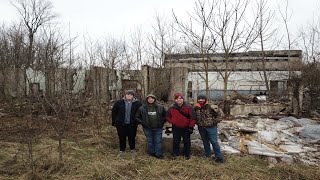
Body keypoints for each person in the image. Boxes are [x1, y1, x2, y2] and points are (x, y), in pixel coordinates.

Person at [112, 90, 142, 158]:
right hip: (121, 124)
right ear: (125, 95)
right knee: (121, 137)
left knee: (132, 137)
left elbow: (140, 113)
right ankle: (122, 150)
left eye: (131, 94)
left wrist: (139, 122)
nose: (129, 95)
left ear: (133, 96)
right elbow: (114, 112)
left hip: (132, 124)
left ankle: (132, 150)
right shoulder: (119, 102)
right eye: (127, 94)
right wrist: (114, 122)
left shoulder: (137, 103)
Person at [194, 94, 224, 163]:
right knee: (205, 142)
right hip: (201, 128)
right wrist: (197, 123)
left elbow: (221, 116)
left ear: (205, 99)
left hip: (211, 128)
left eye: (202, 99)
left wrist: (213, 123)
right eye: (199, 99)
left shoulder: (212, 107)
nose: (201, 100)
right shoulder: (196, 107)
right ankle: (207, 155)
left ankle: (219, 157)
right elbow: (194, 117)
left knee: (214, 142)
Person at [166, 92, 196, 159]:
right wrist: (173, 121)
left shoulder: (188, 107)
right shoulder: (172, 108)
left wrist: (191, 127)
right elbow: (167, 116)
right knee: (176, 141)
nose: (178, 100)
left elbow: (193, 118)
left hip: (186, 127)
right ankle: (175, 155)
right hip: (176, 127)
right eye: (176, 99)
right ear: (175, 100)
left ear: (183, 99)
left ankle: (187, 155)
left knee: (186, 141)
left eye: (180, 98)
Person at [136, 94, 167, 159]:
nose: (150, 100)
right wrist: (143, 123)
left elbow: (166, 116)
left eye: (152, 98)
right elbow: (137, 117)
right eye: (149, 98)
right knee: (150, 141)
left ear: (154, 99)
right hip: (147, 128)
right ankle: (152, 153)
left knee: (158, 141)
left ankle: (158, 154)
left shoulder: (160, 107)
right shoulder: (142, 108)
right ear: (147, 100)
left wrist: (162, 122)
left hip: (158, 127)